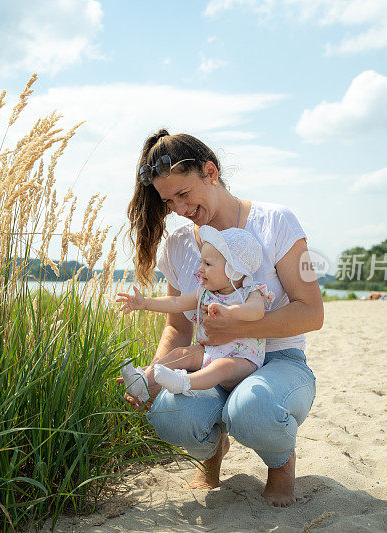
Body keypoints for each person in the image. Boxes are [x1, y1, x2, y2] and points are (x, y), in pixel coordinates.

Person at [119, 129, 323, 506]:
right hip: (209, 358)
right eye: (169, 201)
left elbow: (312, 312)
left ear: (210, 172)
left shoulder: (277, 222)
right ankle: (212, 450)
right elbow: (177, 326)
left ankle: (281, 463)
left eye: (184, 194)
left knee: (252, 409)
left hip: (278, 361)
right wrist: (156, 374)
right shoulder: (178, 246)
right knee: (168, 413)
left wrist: (240, 324)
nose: (179, 209)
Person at [116, 225, 275, 400]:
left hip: (242, 361)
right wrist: (145, 303)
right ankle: (142, 382)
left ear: (233, 270)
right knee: (180, 354)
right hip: (209, 353)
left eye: (207, 264)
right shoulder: (204, 292)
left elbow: (256, 311)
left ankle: (184, 382)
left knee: (221, 366)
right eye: (201, 262)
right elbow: (176, 302)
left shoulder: (250, 291)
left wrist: (230, 311)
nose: (200, 268)